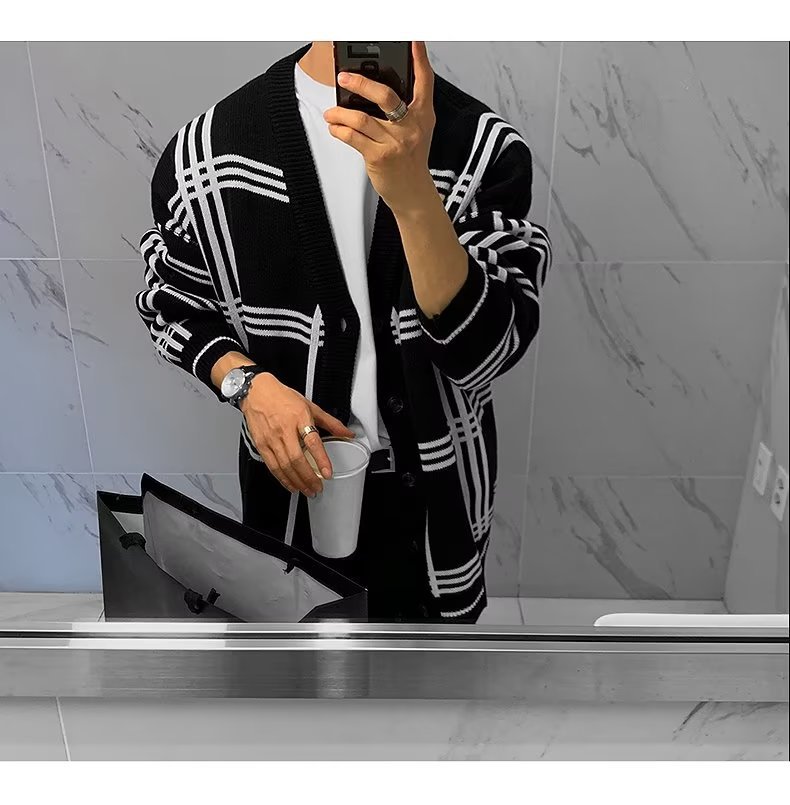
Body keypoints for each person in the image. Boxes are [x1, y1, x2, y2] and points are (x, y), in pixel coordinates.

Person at [135, 41, 552, 623]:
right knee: (297, 663)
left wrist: (414, 195)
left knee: (426, 668)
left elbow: (485, 354)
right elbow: (172, 302)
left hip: (432, 498)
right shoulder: (208, 152)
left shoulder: (482, 149)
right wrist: (248, 387)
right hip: (291, 482)